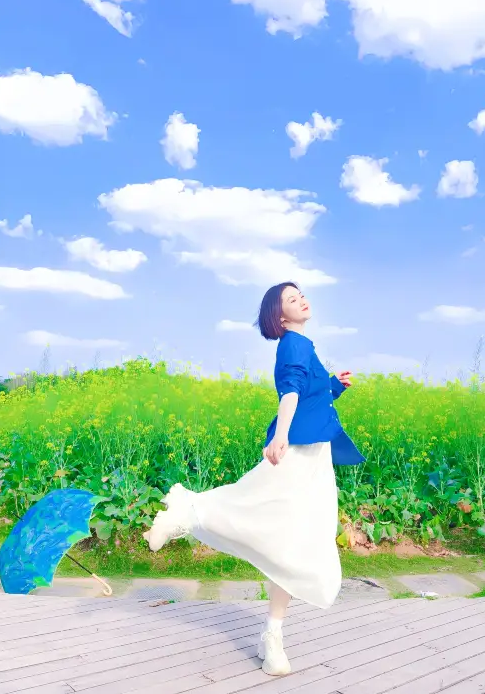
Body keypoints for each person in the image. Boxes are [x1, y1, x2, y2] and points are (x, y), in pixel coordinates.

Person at [143, 281, 365, 676]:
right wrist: (280, 437)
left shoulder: (303, 343)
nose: (302, 301)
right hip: (297, 450)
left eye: (302, 295)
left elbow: (310, 392)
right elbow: (290, 393)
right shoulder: (293, 344)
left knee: (292, 542)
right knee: (253, 505)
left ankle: (272, 635)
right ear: (280, 317)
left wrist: (335, 385)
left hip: (316, 455)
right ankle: (185, 513)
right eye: (292, 300)